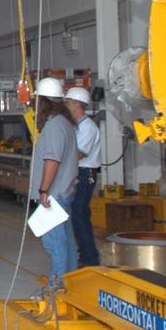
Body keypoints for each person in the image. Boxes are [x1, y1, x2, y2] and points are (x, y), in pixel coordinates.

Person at [28, 77, 80, 285]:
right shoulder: (64, 123)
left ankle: (57, 284)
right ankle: (69, 282)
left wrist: (43, 190)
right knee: (65, 241)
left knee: (55, 242)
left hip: (54, 194)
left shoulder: (54, 126)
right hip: (63, 191)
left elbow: (52, 160)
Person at [64, 87, 101, 267]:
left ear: (77, 104)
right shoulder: (75, 127)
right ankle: (83, 254)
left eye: (68, 102)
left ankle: (90, 258)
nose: (66, 106)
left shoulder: (88, 128)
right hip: (76, 173)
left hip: (86, 174)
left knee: (80, 215)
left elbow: (78, 154)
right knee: (75, 215)